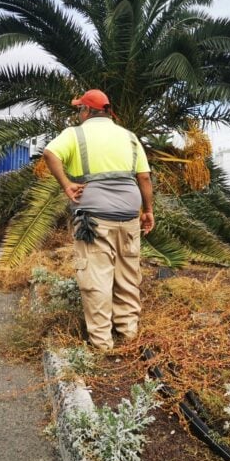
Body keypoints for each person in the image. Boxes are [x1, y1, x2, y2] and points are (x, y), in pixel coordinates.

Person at [43, 89, 154, 351]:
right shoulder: (129, 137)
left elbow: (49, 153)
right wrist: (147, 210)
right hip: (128, 216)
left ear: (86, 111)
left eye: (79, 109)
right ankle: (128, 333)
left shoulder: (75, 134)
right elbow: (145, 178)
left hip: (94, 219)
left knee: (96, 278)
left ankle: (102, 344)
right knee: (128, 276)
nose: (78, 114)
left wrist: (67, 184)